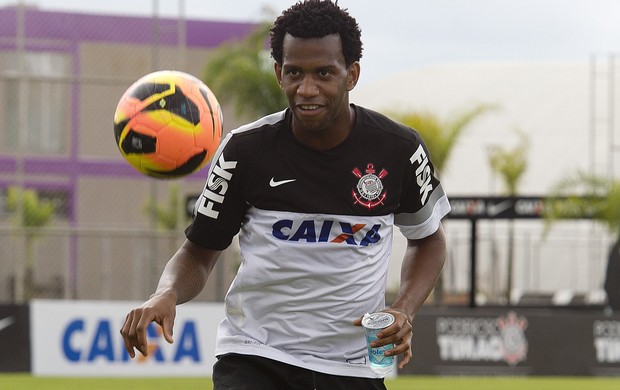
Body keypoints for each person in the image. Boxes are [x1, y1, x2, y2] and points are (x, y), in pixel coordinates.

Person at [120, 1, 450, 388]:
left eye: (323, 73)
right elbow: (200, 250)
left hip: (351, 366)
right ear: (279, 73)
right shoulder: (245, 150)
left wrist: (403, 309)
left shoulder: (398, 150)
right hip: (256, 355)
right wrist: (167, 293)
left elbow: (428, 240)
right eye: (294, 73)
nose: (306, 89)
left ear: (351, 75)